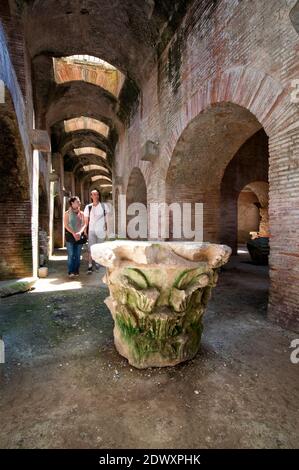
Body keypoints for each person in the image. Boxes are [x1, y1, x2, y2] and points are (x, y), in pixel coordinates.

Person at [84, 189, 107, 274]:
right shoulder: (88, 207)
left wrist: (107, 229)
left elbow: (107, 219)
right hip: (92, 230)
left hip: (101, 231)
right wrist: (85, 230)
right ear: (91, 196)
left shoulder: (104, 206)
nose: (96, 196)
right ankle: (90, 265)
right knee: (91, 248)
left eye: (97, 194)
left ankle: (97, 263)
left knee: (100, 248)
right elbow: (86, 220)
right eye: (94, 194)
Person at [64, 196, 86, 278]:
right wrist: (73, 233)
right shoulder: (67, 213)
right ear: (72, 203)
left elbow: (84, 224)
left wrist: (80, 233)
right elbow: (66, 225)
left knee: (77, 254)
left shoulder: (82, 213)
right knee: (71, 254)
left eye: (79, 201)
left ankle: (76, 270)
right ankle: (70, 271)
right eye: (77, 201)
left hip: (79, 236)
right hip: (70, 236)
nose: (79, 202)